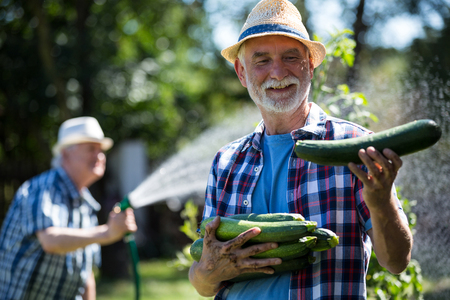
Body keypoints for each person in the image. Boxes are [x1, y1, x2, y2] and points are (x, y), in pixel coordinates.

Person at [188, 0, 413, 299]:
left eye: (291, 57)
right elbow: (203, 281)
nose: (278, 72)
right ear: (242, 72)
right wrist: (208, 273)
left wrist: (380, 200)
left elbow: (396, 262)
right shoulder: (226, 161)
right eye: (262, 60)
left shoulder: (353, 148)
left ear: (311, 66)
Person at [0, 116, 137, 300]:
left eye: (101, 150)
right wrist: (107, 232)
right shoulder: (43, 189)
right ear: (65, 154)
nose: (100, 156)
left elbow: (86, 275)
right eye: (91, 149)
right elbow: (51, 241)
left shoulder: (87, 205)